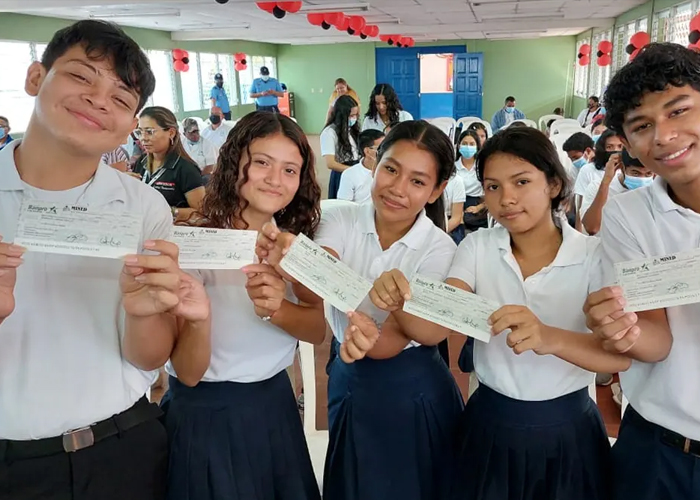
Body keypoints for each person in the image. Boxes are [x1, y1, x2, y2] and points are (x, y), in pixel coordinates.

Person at [0, 19, 211, 500]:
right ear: (36, 78)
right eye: (80, 76)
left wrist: (144, 312)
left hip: (123, 449)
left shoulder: (143, 207)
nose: (98, 100)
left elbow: (148, 357)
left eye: (121, 99)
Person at [257, 120, 464, 500]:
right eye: (390, 169)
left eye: (418, 182)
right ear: (374, 163)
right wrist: (294, 257)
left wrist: (383, 311)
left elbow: (405, 338)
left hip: (413, 391)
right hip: (350, 381)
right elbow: (318, 278)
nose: (398, 189)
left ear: (437, 190)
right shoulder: (340, 217)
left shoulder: (440, 249)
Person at [446, 127, 628, 500]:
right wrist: (410, 296)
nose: (506, 199)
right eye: (492, 186)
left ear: (554, 185)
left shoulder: (593, 256)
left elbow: (615, 357)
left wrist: (548, 337)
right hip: (489, 425)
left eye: (521, 182)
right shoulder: (478, 247)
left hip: (568, 431)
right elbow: (451, 303)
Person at [162, 112, 323, 500]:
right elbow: (187, 372)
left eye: (290, 170)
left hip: (273, 407)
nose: (274, 179)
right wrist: (200, 318)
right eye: (262, 163)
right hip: (204, 414)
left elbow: (316, 330)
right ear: (236, 162)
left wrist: (278, 308)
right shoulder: (197, 241)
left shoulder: (293, 244)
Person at [583, 43, 700, 500]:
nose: (665, 136)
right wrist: (622, 331)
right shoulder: (629, 216)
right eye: (643, 126)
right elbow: (656, 339)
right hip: (659, 447)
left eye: (679, 111)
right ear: (627, 144)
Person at [132, 107, 205, 223]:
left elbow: (201, 213)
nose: (143, 138)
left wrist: (169, 212)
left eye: (149, 132)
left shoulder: (185, 168)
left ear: (171, 132)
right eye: (140, 132)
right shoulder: (141, 163)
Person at [581, 149, 654, 235]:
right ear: (622, 168)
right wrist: (606, 183)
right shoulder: (597, 187)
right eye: (635, 173)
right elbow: (592, 228)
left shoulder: (656, 191)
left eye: (648, 174)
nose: (642, 179)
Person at [320, 95, 361, 199]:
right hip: (342, 173)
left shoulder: (352, 129)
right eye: (351, 115)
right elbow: (331, 163)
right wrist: (352, 171)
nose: (354, 118)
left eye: (355, 115)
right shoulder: (329, 132)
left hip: (356, 168)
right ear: (341, 115)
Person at [573, 129, 623, 204]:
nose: (615, 150)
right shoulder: (588, 170)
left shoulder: (630, 171)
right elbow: (580, 202)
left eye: (620, 147)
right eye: (609, 147)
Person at [337, 129, 384, 204]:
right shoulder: (350, 174)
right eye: (382, 148)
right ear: (367, 151)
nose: (386, 150)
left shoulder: (389, 171)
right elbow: (343, 206)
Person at [455, 130, 487, 232]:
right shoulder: (453, 167)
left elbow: (490, 193)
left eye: (471, 144)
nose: (468, 147)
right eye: (464, 144)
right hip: (457, 203)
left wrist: (479, 207)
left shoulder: (482, 167)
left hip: (477, 203)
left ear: (477, 146)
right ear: (459, 145)